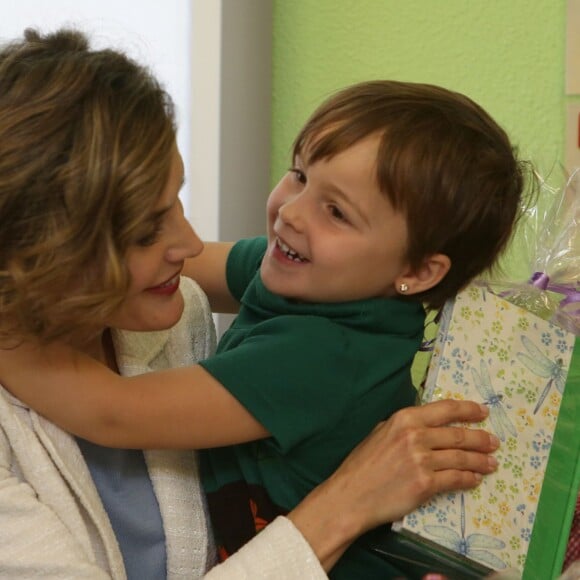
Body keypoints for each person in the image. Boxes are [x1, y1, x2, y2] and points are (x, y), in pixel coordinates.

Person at [0, 28, 502, 580]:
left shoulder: (322, 353)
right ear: (48, 254)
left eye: (336, 211)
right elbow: (207, 264)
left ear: (416, 271)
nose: (188, 244)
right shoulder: (308, 279)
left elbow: (112, 412)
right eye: (300, 175)